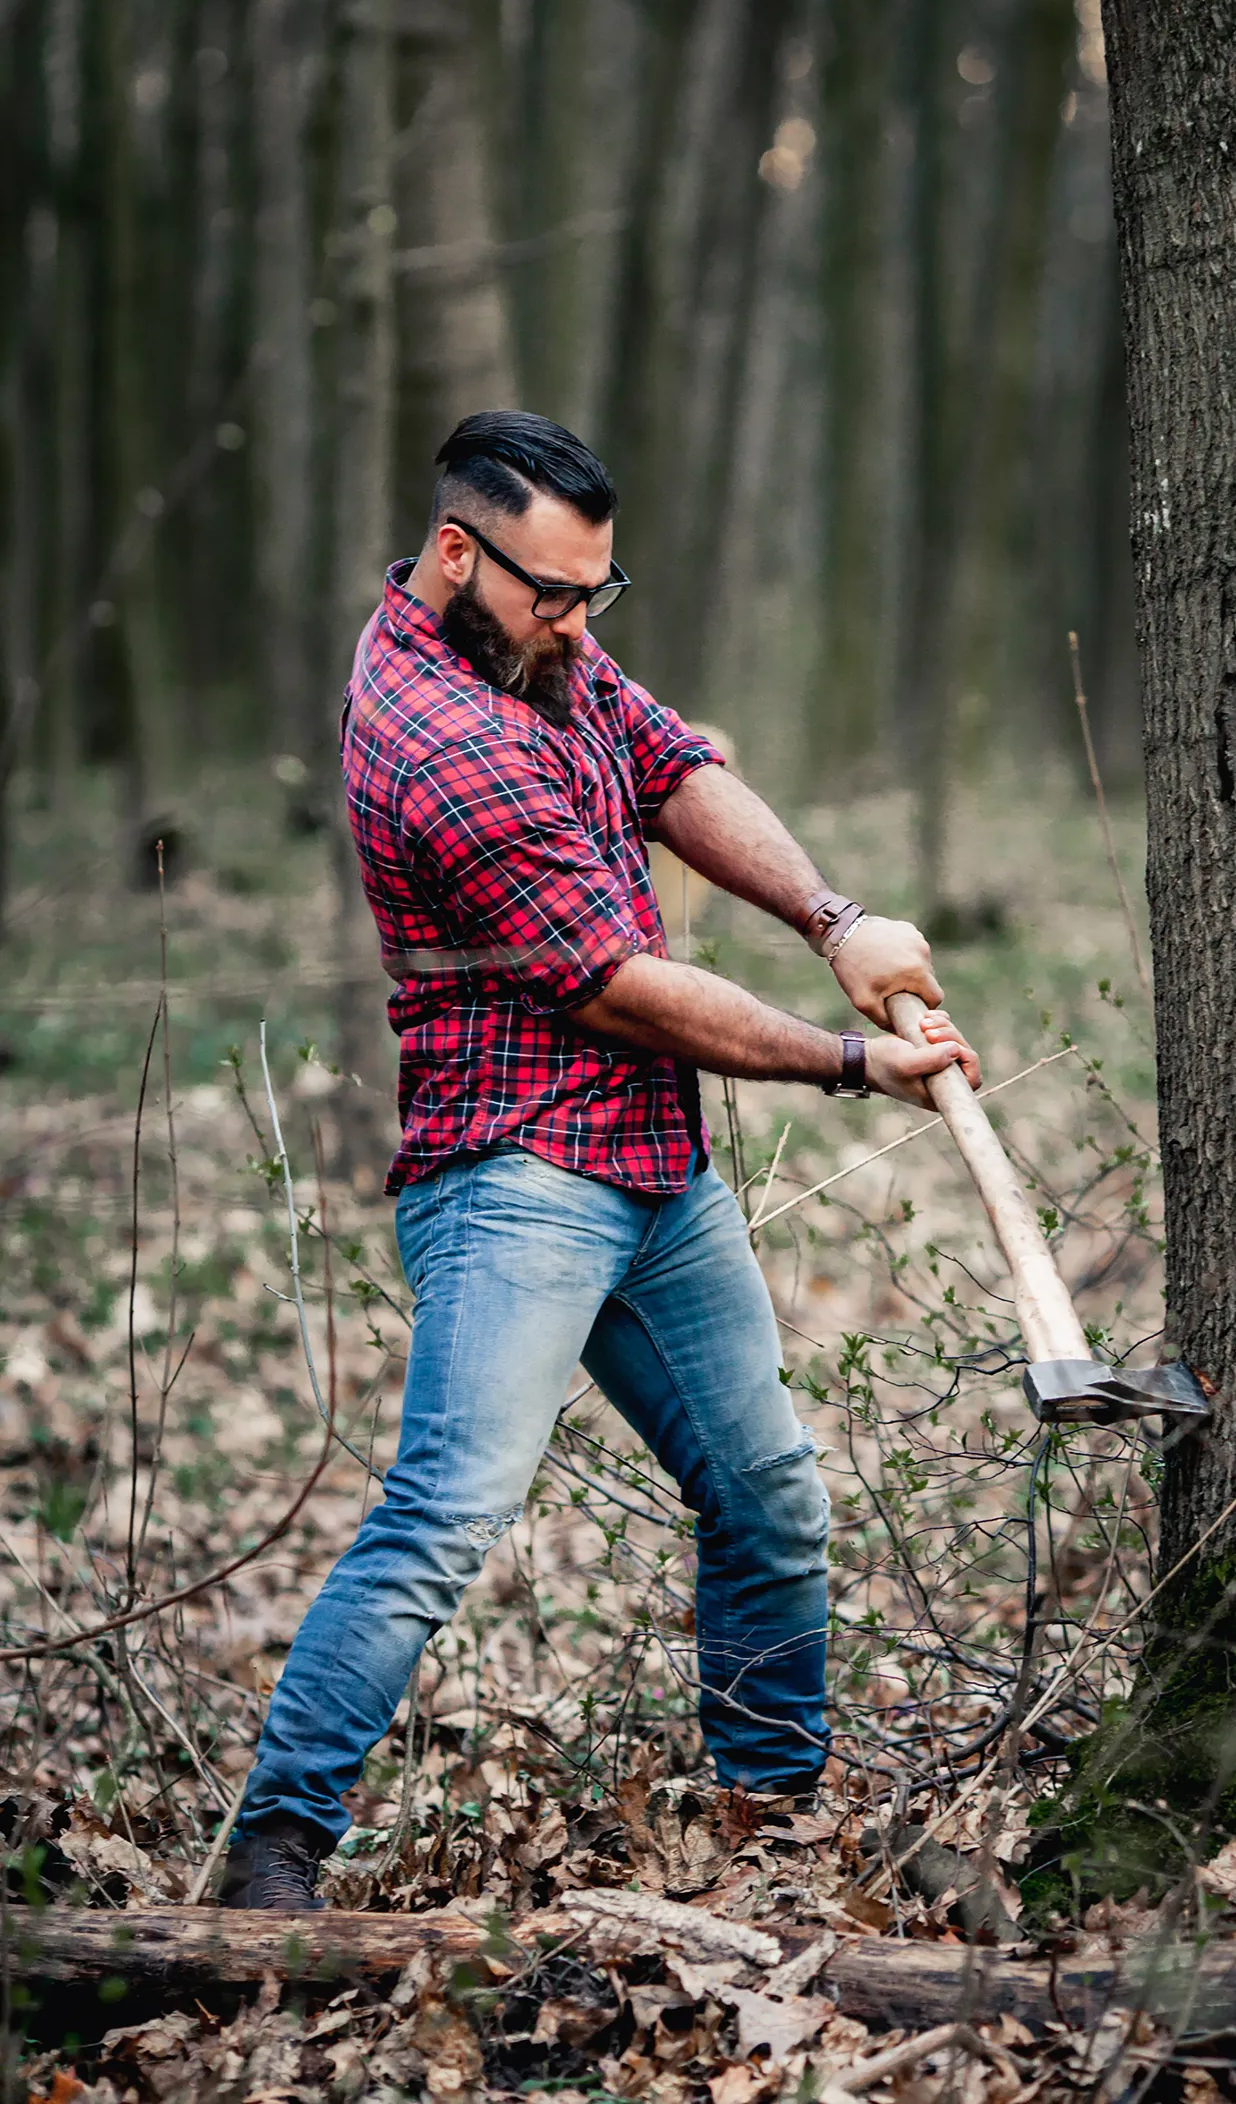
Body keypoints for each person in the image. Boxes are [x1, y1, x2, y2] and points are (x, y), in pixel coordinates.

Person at [220, 410, 979, 1909]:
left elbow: (669, 764)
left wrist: (836, 923)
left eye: (595, 595)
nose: (576, 625)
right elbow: (612, 977)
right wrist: (847, 1061)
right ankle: (273, 1850)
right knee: (445, 1516)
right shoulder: (432, 734)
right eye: (551, 596)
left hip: (648, 1164)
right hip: (516, 1178)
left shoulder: (538, 648)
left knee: (768, 1493)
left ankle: (769, 1823)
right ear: (456, 552)